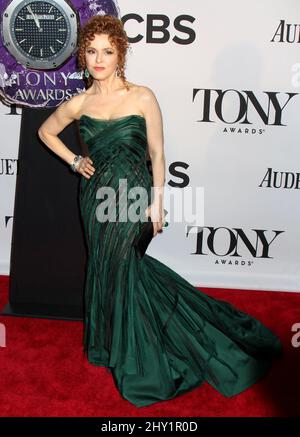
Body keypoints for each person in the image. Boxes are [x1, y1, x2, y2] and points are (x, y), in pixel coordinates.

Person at [38, 14, 282, 408]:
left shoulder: (142, 96)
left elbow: (158, 153)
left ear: (121, 55)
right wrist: (73, 160)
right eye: (92, 51)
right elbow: (45, 131)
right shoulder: (79, 102)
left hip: (133, 197)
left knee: (124, 267)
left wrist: (158, 201)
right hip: (95, 197)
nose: (99, 59)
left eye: (108, 51)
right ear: (83, 56)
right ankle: (109, 344)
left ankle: (133, 349)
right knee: (106, 267)